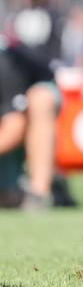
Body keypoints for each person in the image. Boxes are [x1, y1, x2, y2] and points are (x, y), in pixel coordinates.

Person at [0, 39, 60, 210]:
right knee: (7, 199)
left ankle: (39, 193)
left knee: (41, 98)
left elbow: (14, 128)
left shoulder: (5, 64)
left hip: (27, 106)